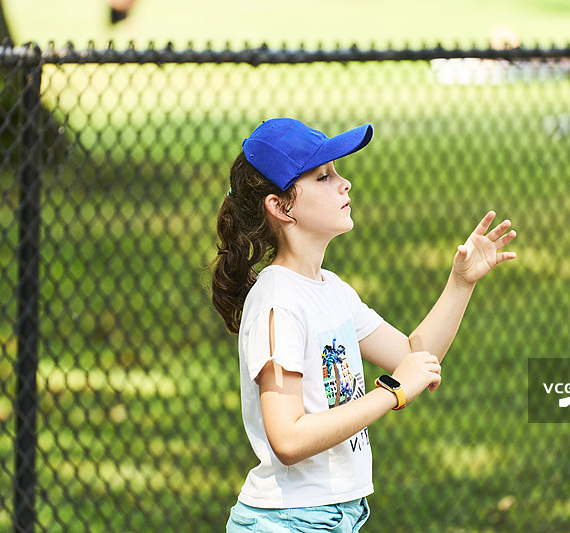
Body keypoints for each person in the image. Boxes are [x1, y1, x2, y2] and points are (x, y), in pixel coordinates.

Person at [210, 118, 517, 531]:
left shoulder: (331, 290)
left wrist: (460, 283)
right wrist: (391, 393)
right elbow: (288, 439)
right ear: (280, 207)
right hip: (287, 521)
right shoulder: (278, 302)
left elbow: (412, 358)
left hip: (332, 516)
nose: (345, 183)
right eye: (323, 176)